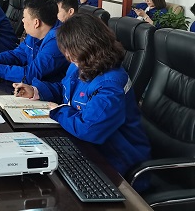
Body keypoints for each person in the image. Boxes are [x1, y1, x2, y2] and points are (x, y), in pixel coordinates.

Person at [13, 14, 151, 184]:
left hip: (117, 163)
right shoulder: (81, 65)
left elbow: (90, 128)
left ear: (89, 46)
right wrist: (36, 91)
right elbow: (65, 89)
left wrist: (59, 111)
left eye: (71, 51)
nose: (68, 57)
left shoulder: (111, 83)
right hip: (85, 148)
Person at [0, 0, 69, 84]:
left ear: (36, 23)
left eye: (24, 17)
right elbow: (18, 54)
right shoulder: (35, 32)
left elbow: (31, 74)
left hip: (47, 92)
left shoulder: (57, 41)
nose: (22, 20)